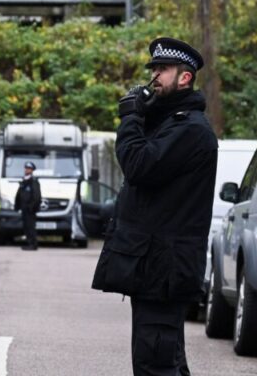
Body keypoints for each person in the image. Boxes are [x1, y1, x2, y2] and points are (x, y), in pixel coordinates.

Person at [91, 37, 218, 376]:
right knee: (165, 359)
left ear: (185, 78)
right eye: (154, 69)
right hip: (156, 268)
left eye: (163, 70)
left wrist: (131, 118)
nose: (154, 76)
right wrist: (144, 115)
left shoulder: (189, 129)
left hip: (164, 269)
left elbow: (138, 166)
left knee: (155, 364)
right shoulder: (171, 123)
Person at [14, 161, 41, 251]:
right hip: (24, 208)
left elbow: (36, 196)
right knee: (26, 227)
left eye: (29, 169)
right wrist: (17, 205)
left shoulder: (33, 181)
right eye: (26, 168)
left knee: (30, 227)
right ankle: (29, 243)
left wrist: (31, 207)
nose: (27, 170)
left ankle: (33, 244)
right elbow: (19, 194)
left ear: (32, 170)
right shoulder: (24, 181)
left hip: (30, 209)